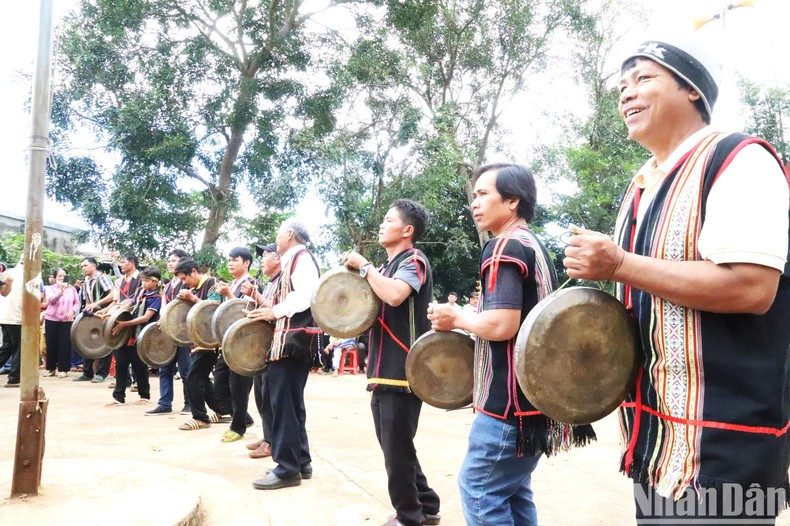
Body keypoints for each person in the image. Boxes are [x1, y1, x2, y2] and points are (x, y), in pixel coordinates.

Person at [563, 35, 790, 524]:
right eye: (621, 86)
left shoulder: (740, 159)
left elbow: (752, 287)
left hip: (729, 450)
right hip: (657, 445)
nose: (626, 93)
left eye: (644, 78)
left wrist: (620, 264)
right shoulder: (644, 184)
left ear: (692, 91)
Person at [429, 164, 594, 525]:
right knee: (514, 493)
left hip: (509, 405)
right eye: (474, 195)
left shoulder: (503, 245)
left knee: (480, 489)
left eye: (483, 194)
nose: (475, 202)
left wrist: (455, 317)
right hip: (535, 401)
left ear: (512, 201)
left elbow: (502, 325)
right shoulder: (533, 245)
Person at [343, 199, 441, 526]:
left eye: (389, 220)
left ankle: (409, 516)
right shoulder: (385, 268)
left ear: (407, 230)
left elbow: (396, 295)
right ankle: (427, 504)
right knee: (396, 446)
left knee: (396, 451)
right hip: (383, 370)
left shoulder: (413, 259)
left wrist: (365, 267)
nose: (382, 225)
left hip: (404, 370)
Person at [248, 219, 320, 490]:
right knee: (290, 405)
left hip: (292, 342)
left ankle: (287, 469)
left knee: (282, 406)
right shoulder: (292, 259)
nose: (276, 239)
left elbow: (307, 296)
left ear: (289, 234)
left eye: (278, 233)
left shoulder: (301, 257)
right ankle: (301, 462)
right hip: (288, 342)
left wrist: (274, 311)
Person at [213, 246, 256, 443]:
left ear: (246, 263)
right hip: (230, 342)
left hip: (246, 344)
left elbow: (245, 312)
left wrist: (229, 295)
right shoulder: (233, 284)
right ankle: (244, 418)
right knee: (220, 385)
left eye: (235, 260)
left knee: (239, 387)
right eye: (229, 260)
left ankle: (237, 427)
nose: (230, 263)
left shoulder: (252, 284)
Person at [175, 259, 223, 431]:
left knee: (193, 377)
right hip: (197, 341)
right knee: (201, 378)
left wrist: (193, 298)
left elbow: (214, 310)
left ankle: (200, 418)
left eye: (184, 278)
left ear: (194, 271)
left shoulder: (212, 283)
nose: (183, 282)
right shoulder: (192, 289)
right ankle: (223, 410)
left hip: (210, 340)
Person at [106, 266, 160, 406]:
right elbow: (126, 303)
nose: (144, 283)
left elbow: (146, 317)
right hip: (127, 335)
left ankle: (145, 395)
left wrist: (125, 323)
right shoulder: (139, 292)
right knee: (121, 364)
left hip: (141, 335)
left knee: (139, 366)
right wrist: (111, 313)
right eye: (143, 280)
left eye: (147, 281)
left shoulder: (156, 298)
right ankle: (118, 397)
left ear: (156, 282)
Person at [147, 249, 193, 416]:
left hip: (183, 332)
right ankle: (164, 403)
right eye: (169, 261)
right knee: (165, 368)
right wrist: (161, 320)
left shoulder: (187, 283)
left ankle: (190, 403)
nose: (170, 263)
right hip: (168, 331)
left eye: (174, 260)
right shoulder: (166, 286)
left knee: (186, 369)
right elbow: (165, 308)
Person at [245, 243, 280, 459]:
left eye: (266, 255)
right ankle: (268, 436)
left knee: (270, 397)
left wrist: (257, 296)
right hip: (262, 348)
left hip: (275, 346)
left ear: (278, 259)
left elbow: (277, 311)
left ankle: (274, 441)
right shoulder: (269, 283)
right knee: (261, 395)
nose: (262, 259)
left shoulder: (283, 282)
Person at [73, 257, 115, 383]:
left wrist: (98, 304)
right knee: (87, 341)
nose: (83, 268)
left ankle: (102, 373)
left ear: (94, 266)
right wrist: (87, 309)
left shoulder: (102, 277)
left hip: (104, 313)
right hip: (92, 315)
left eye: (85, 265)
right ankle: (87, 372)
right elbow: (87, 300)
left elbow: (113, 294)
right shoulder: (86, 281)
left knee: (105, 343)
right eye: (82, 266)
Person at [43, 268, 80, 378]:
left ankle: (63, 369)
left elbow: (76, 303)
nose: (62, 278)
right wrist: (61, 291)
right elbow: (51, 301)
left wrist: (72, 311)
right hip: (51, 319)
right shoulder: (50, 288)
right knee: (51, 344)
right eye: (59, 276)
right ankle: (51, 368)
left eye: (64, 276)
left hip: (66, 320)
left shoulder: (72, 289)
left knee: (65, 344)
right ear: (54, 278)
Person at [0, 261, 25, 387]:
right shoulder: (29, 274)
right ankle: (14, 378)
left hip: (4, 316)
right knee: (19, 348)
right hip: (16, 316)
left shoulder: (8, 272)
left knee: (7, 347)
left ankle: (14, 377)